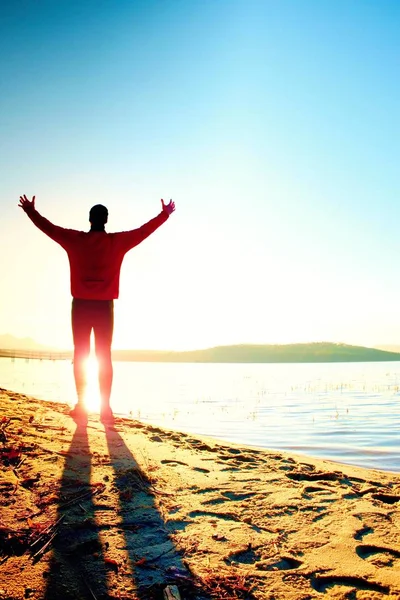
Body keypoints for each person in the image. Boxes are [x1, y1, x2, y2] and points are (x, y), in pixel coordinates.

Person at [18, 194, 175, 423]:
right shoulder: (117, 242)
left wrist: (30, 210)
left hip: (80, 305)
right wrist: (165, 214)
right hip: (104, 308)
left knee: (81, 353)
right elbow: (143, 232)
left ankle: (82, 404)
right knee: (104, 356)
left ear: (89, 219)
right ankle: (105, 409)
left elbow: (49, 228)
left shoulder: (75, 240)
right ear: (106, 220)